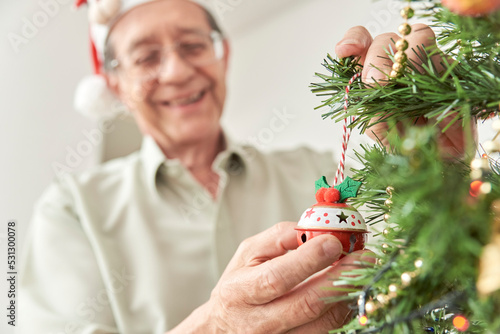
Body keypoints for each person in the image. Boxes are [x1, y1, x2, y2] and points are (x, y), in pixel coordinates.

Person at [19, 0, 471, 333]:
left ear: (223, 57)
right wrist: (215, 326)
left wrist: (438, 170)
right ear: (115, 84)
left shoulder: (327, 175)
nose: (177, 71)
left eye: (193, 45)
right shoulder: (72, 210)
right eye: (147, 57)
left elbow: (419, 281)